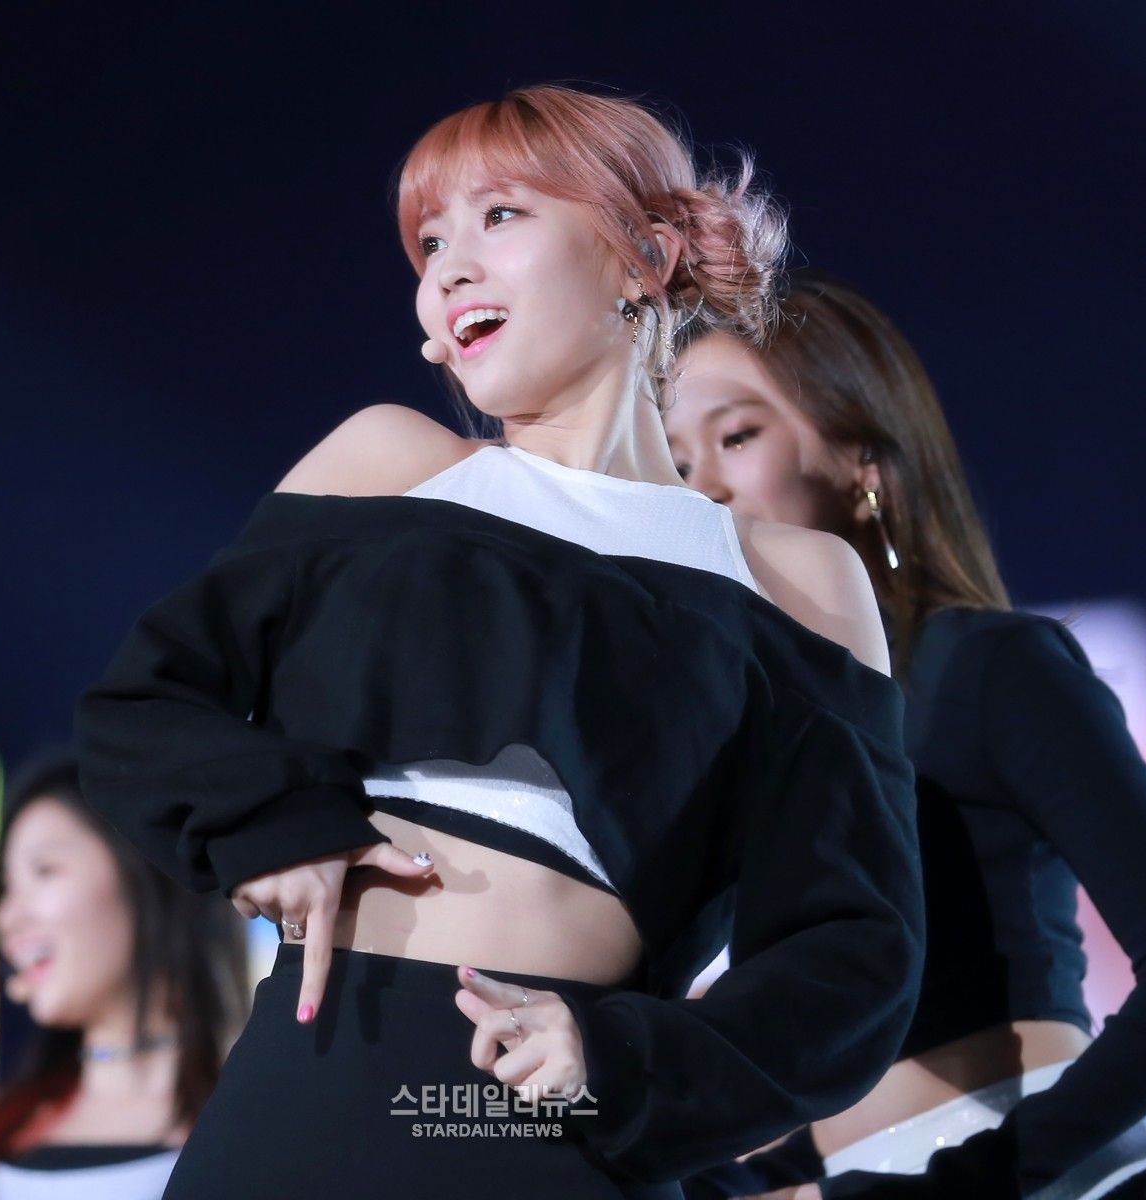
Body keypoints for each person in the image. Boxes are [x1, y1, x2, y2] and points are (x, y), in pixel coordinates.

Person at [76, 85, 925, 1198]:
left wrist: (619, 1061)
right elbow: (146, 699)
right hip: (316, 1080)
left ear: (645, 254)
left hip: (551, 1119)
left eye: (500, 216)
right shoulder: (387, 466)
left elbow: (852, 953)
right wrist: (266, 823)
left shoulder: (794, 582)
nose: (449, 269)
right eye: (431, 243)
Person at [665, 272, 1146, 1199]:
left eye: (737, 437)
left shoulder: (987, 666)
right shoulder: (745, 736)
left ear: (862, 460)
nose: (700, 487)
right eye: (674, 464)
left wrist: (974, 1181)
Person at [0, 752, 250, 1199]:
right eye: (6, 888)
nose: (6, 918)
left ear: (142, 873)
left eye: (45, 871)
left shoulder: (251, 1129)